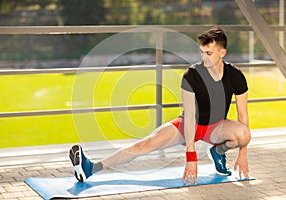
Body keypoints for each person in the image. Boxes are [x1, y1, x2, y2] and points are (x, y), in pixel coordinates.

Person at [69, 26, 251, 185]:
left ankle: (218, 152)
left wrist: (243, 155)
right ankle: (91, 168)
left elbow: (243, 117)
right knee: (144, 145)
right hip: (189, 124)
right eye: (201, 53)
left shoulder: (235, 76)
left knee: (243, 135)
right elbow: (189, 117)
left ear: (222, 53)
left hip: (216, 127)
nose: (203, 58)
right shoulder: (192, 75)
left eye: (208, 53)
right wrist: (191, 157)